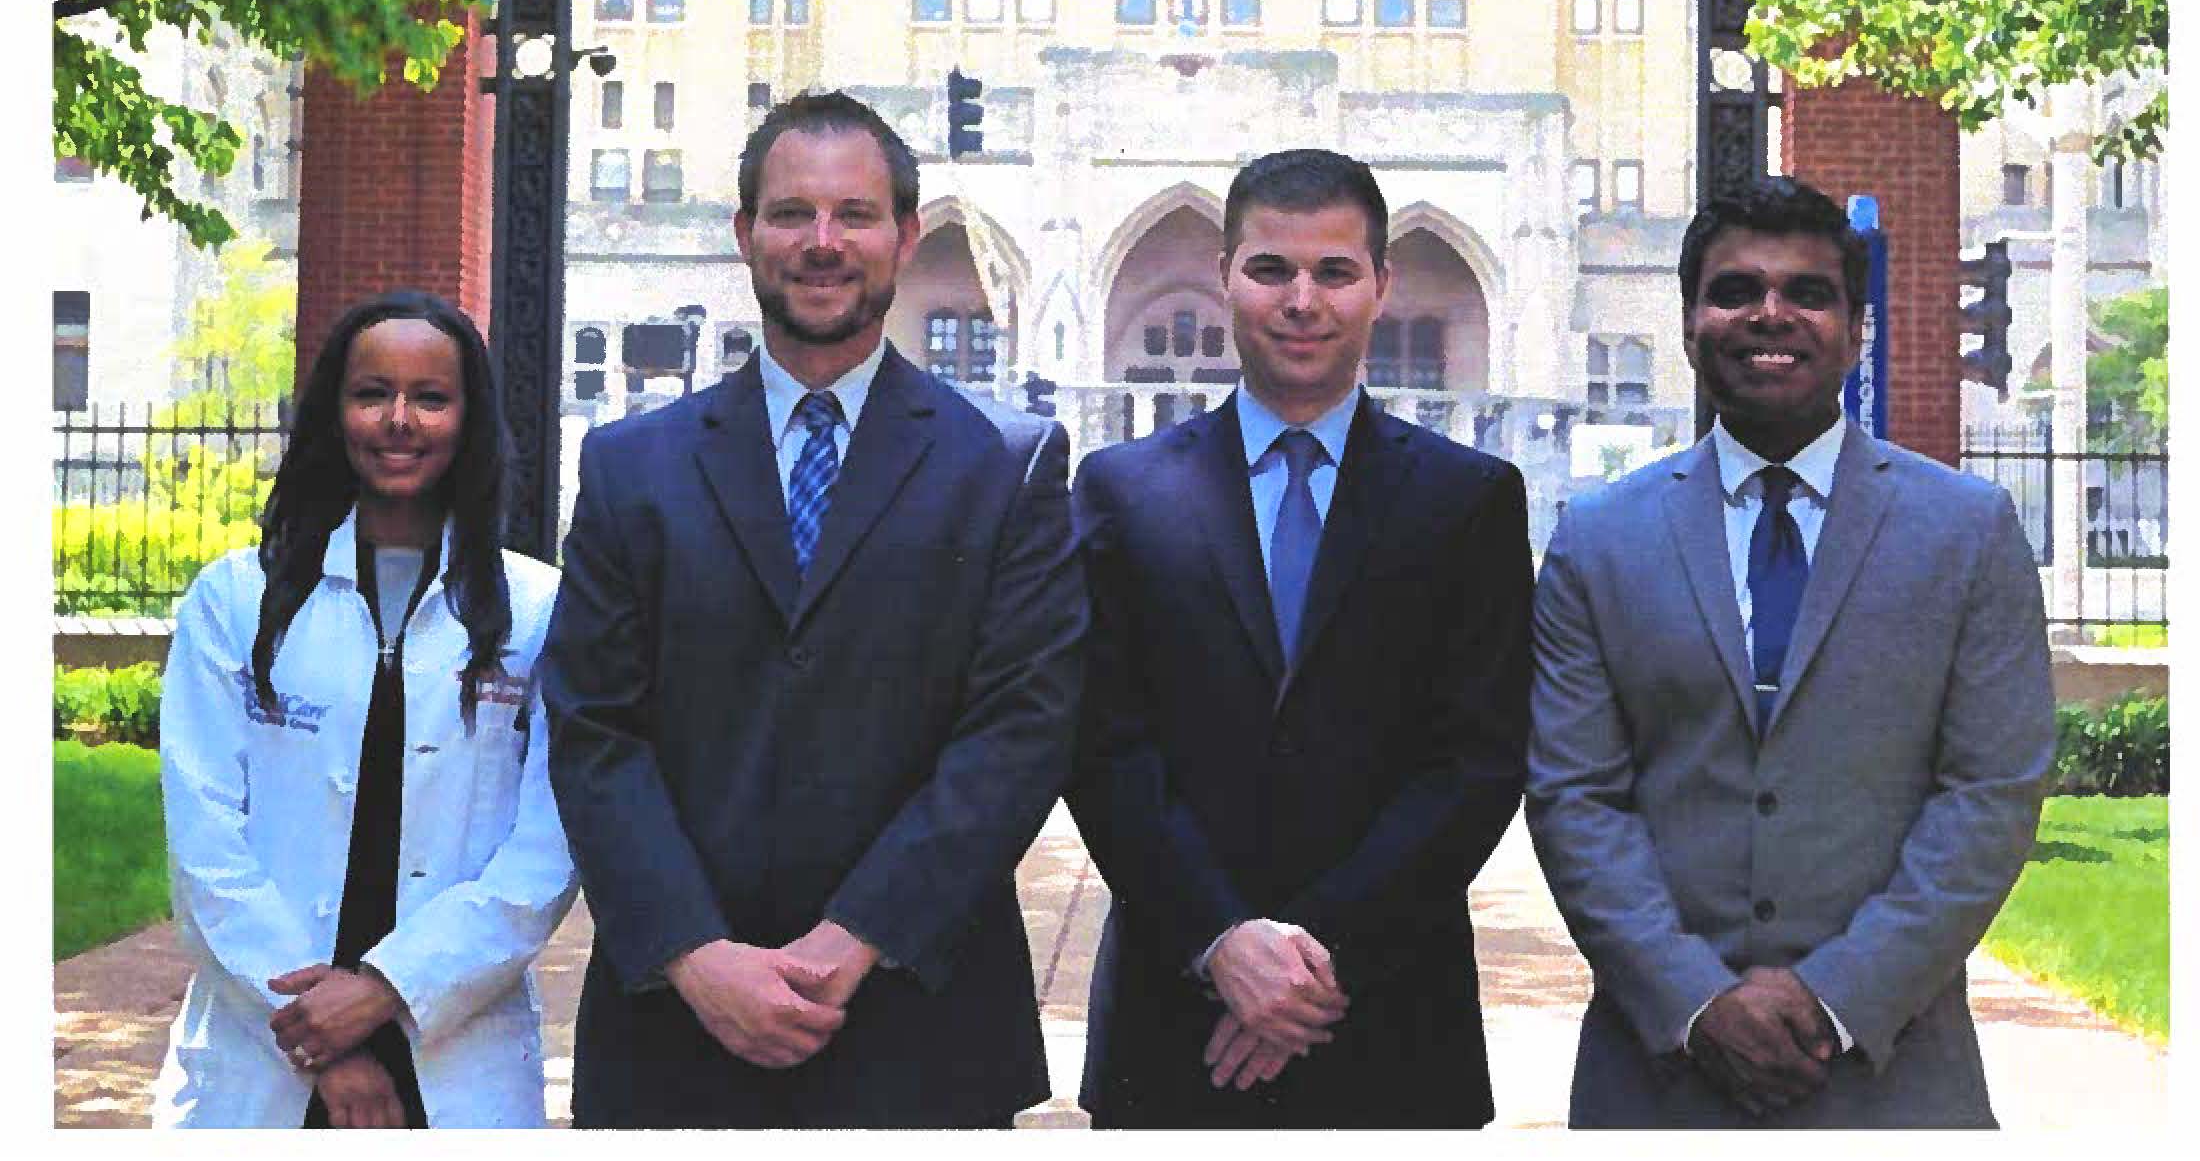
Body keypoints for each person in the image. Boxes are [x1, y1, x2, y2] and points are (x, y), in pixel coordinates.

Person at [542, 90, 1085, 1129]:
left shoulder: (1006, 465)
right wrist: (695, 954)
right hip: (676, 1026)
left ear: (905, 235)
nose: (823, 242)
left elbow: (1020, 729)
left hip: (919, 1020)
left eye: (855, 213)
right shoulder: (629, 467)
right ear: (745, 233)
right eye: (791, 213)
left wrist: (856, 936)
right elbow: (593, 727)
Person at [1525, 177, 2055, 1128]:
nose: (1771, 313)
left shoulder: (1967, 532)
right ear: (1690, 325)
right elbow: (1575, 796)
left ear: (1857, 330)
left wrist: (1840, 998)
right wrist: (1695, 998)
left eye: (1809, 293)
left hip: (1894, 1080)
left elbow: (1991, 793)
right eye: (1735, 290)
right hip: (1657, 1082)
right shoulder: (1597, 540)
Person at [1067, 148, 1534, 1128]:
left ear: (1380, 284)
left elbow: (1477, 761)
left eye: (1334, 270)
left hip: (1385, 1016)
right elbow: (1102, 743)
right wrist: (1220, 940)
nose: (1301, 299)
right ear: (1225, 274)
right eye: (1270, 268)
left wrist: (1315, 959)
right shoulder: (1124, 491)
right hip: (1174, 1008)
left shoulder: (1467, 500)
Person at [154, 290, 577, 1128]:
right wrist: (328, 1044)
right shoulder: (236, 601)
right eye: (371, 392)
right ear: (333, 412)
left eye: (431, 397)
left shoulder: (536, 612)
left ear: (469, 419)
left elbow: (546, 850)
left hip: (455, 1048)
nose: (399, 420)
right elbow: (204, 844)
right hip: (267, 1036)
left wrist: (387, 990)